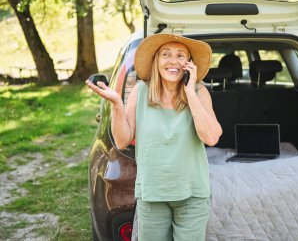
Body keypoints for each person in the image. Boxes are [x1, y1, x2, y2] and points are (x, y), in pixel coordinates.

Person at [86, 33, 222, 241]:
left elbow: (211, 137)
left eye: (180, 55)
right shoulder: (140, 91)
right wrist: (116, 104)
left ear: (188, 64)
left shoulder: (199, 91)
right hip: (152, 193)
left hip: (192, 194)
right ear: (157, 61)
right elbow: (122, 141)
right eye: (166, 54)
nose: (173, 61)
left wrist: (190, 92)